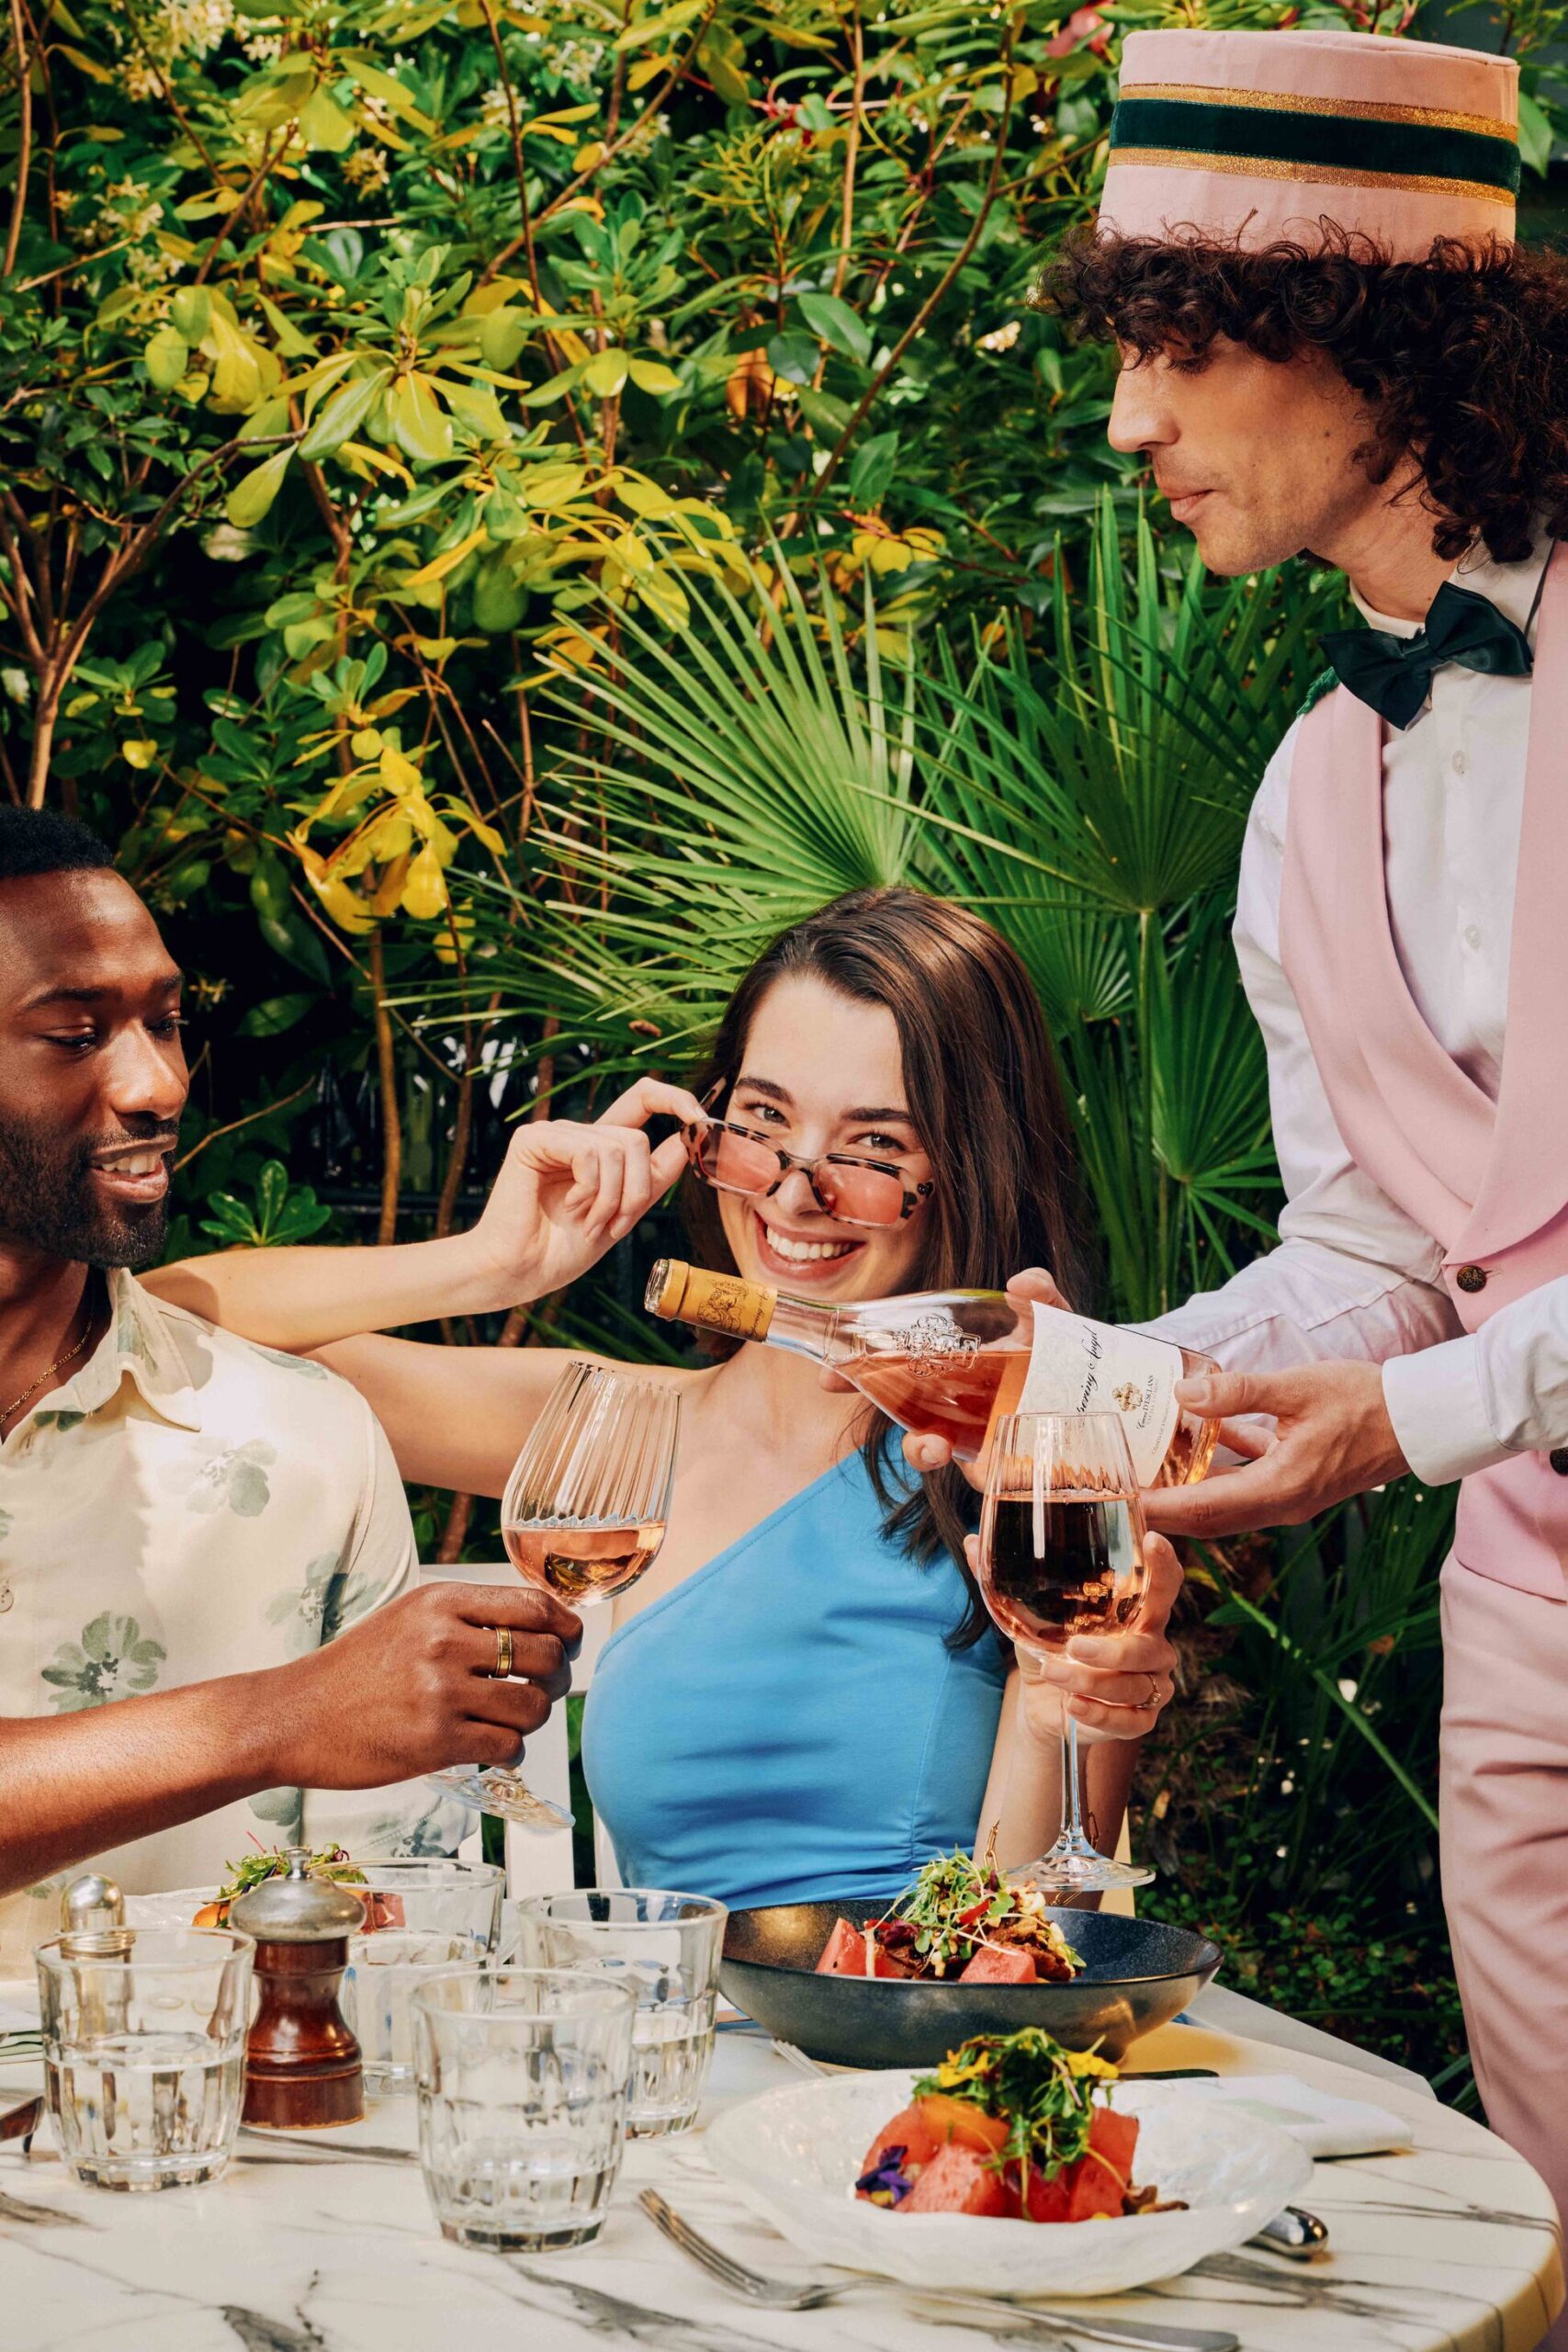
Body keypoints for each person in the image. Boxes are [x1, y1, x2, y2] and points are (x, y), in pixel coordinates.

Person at [906, 21, 1568, 2286]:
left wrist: (1407, 1417)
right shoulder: (1308, 785)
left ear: (1370, 333)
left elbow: (1429, 1364)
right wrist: (1103, 1380)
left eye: (1173, 349)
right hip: (1525, 1652)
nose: (1122, 419)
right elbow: (1383, 1243)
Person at [149, 888, 1185, 1912]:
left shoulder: (1027, 1462)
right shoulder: (623, 1434)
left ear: (969, 1170)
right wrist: (491, 1263)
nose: (791, 1193)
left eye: (873, 1151)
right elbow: (172, 1324)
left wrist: (1055, 1698)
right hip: (668, 2058)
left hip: (920, 2049)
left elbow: (1035, 1936)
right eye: (762, 1123)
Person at [0, 807, 577, 1967]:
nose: (157, 1083)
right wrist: (283, 1717)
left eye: (166, 1023)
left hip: (200, 2140)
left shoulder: (302, 1440)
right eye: (74, 1035)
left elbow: (396, 1934)